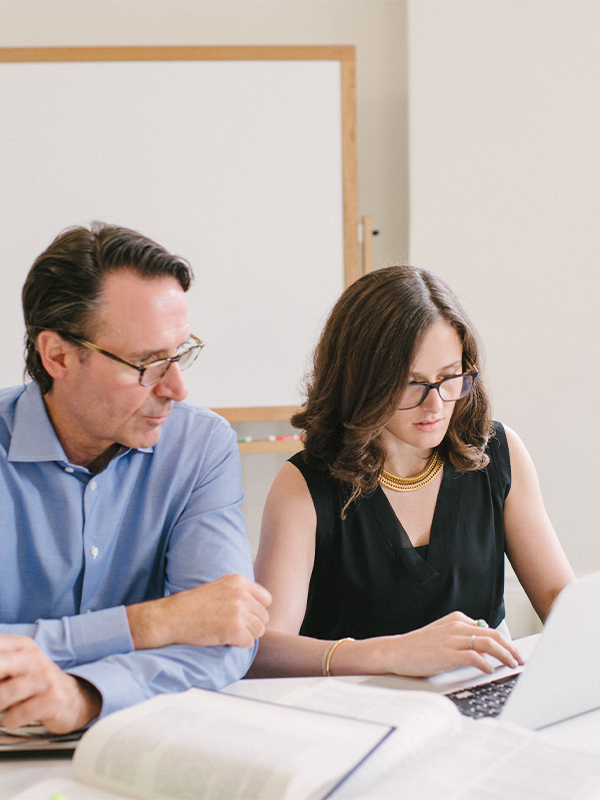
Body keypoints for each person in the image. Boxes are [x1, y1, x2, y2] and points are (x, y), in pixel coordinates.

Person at [0, 222, 271, 734]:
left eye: (180, 353)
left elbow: (226, 638)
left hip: (145, 741)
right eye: (147, 364)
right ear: (57, 355)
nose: (177, 387)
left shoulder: (200, 446)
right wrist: (150, 623)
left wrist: (84, 698)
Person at [249, 265, 574, 679]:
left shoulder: (499, 452)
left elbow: (558, 598)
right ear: (360, 380)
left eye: (449, 378)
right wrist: (391, 653)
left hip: (476, 703)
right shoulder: (303, 487)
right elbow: (263, 652)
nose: (436, 404)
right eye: (410, 383)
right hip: (358, 719)